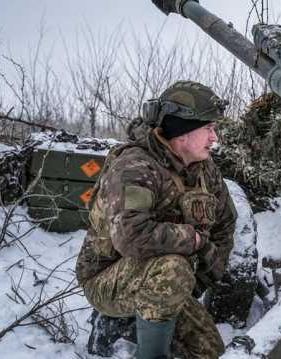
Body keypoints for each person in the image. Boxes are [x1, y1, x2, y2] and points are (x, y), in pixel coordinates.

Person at [75, 81, 237, 359]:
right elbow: (131, 236)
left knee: (209, 352)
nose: (214, 137)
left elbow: (225, 222)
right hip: (107, 280)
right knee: (172, 268)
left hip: (168, 278)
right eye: (208, 129)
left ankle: (150, 315)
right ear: (182, 132)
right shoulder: (135, 167)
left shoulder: (203, 169)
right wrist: (193, 240)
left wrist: (203, 275)